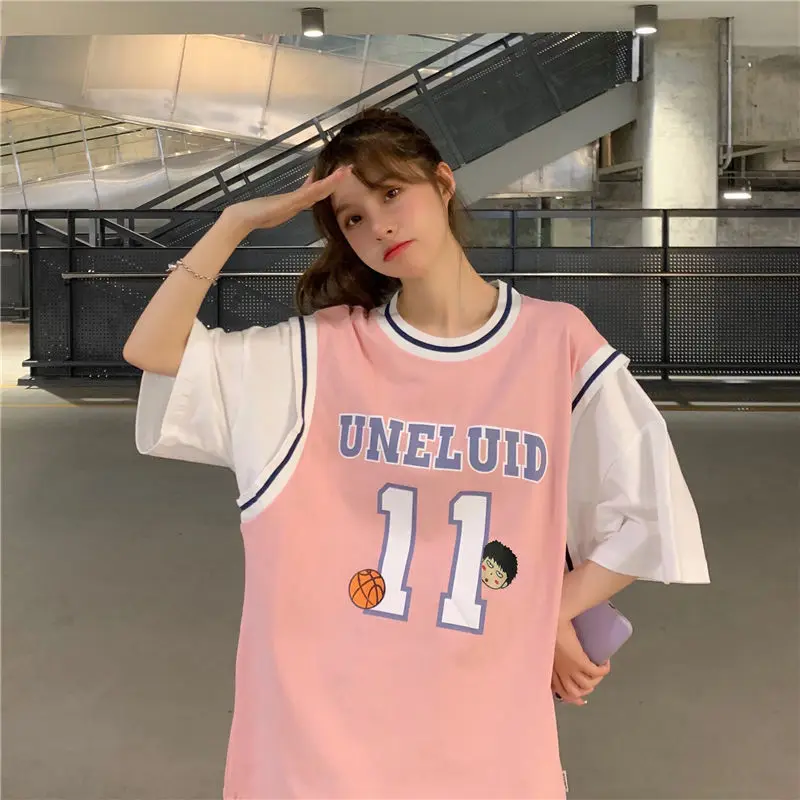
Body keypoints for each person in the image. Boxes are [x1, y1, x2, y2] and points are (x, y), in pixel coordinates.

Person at [124, 108, 710, 800]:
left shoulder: (557, 343)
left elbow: (648, 511)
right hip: (321, 758)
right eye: (353, 218)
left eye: (392, 193)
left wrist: (550, 607)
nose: (378, 226)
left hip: (485, 749)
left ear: (443, 183)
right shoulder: (320, 355)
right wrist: (233, 224)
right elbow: (153, 350)